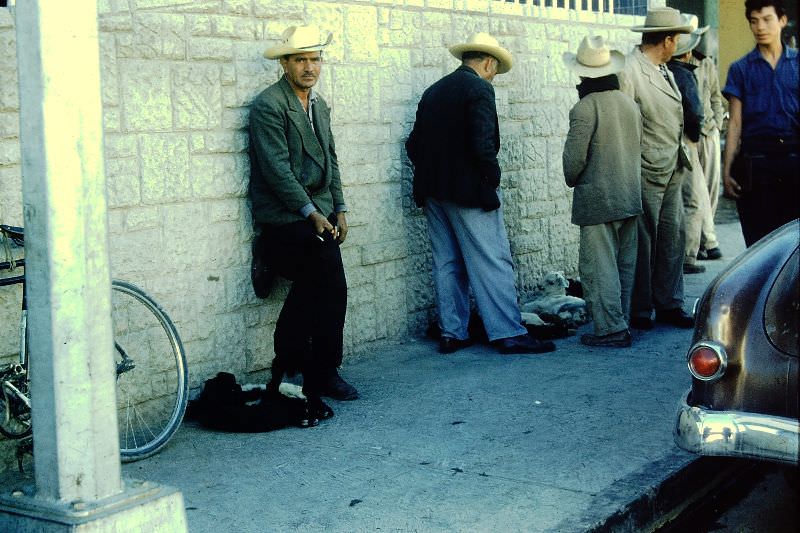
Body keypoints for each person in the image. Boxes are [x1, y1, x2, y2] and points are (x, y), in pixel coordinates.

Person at [406, 32, 556, 355]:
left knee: (446, 261)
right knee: (492, 259)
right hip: (469, 190)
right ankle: (508, 332)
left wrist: (435, 173)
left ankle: (453, 333)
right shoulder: (479, 89)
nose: (494, 78)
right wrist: (491, 179)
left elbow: (413, 145)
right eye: (495, 71)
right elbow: (483, 145)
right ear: (488, 63)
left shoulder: (433, 92)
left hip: (433, 191)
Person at [248, 25, 358, 419]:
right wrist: (311, 213)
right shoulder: (269, 106)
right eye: (300, 60)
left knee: (333, 285)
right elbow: (276, 170)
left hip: (321, 212)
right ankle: (300, 366)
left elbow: (331, 159)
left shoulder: (320, 105)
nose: (309, 67)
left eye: (315, 59)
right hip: (284, 217)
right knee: (322, 273)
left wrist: (339, 208)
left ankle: (316, 369)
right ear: (285, 63)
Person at [562, 36, 643, 348]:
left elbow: (574, 160)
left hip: (598, 200)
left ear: (584, 75)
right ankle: (620, 320)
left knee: (600, 268)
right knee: (625, 265)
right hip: (629, 196)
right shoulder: (629, 104)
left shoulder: (584, 108)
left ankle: (609, 329)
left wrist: (573, 180)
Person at [618, 7, 696, 330]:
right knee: (644, 239)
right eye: (676, 39)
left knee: (673, 236)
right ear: (666, 40)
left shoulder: (663, 69)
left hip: (673, 163)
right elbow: (624, 124)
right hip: (647, 167)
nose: (677, 45)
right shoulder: (630, 69)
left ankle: (669, 303)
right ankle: (641, 308)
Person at [722, 0, 799, 247]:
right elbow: (735, 123)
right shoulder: (740, 69)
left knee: (793, 245)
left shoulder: (798, 64)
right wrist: (727, 169)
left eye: (767, 19)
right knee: (759, 245)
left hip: (794, 159)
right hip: (756, 163)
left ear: (782, 21)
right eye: (754, 21)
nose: (760, 27)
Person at [667, 16, 710, 275]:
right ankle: (688, 255)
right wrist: (695, 139)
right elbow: (694, 112)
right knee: (692, 200)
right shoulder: (684, 75)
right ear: (688, 52)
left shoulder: (664, 70)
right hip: (686, 141)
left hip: (669, 140)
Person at [691, 32, 725, 261]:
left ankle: (705, 239)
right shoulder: (683, 63)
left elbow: (715, 96)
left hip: (710, 131)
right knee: (698, 189)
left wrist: (718, 124)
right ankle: (708, 240)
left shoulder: (708, 64)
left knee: (711, 188)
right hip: (692, 134)